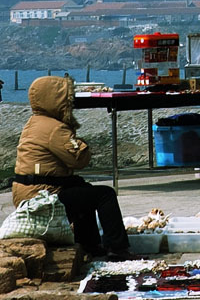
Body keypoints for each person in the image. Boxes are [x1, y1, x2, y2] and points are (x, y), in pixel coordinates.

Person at [12, 75, 131, 258]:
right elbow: (79, 160)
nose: (71, 104)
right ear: (55, 101)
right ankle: (118, 248)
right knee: (105, 195)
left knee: (83, 190)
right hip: (41, 193)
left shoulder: (35, 122)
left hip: (29, 189)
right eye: (67, 99)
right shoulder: (54, 128)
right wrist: (80, 142)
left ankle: (89, 244)